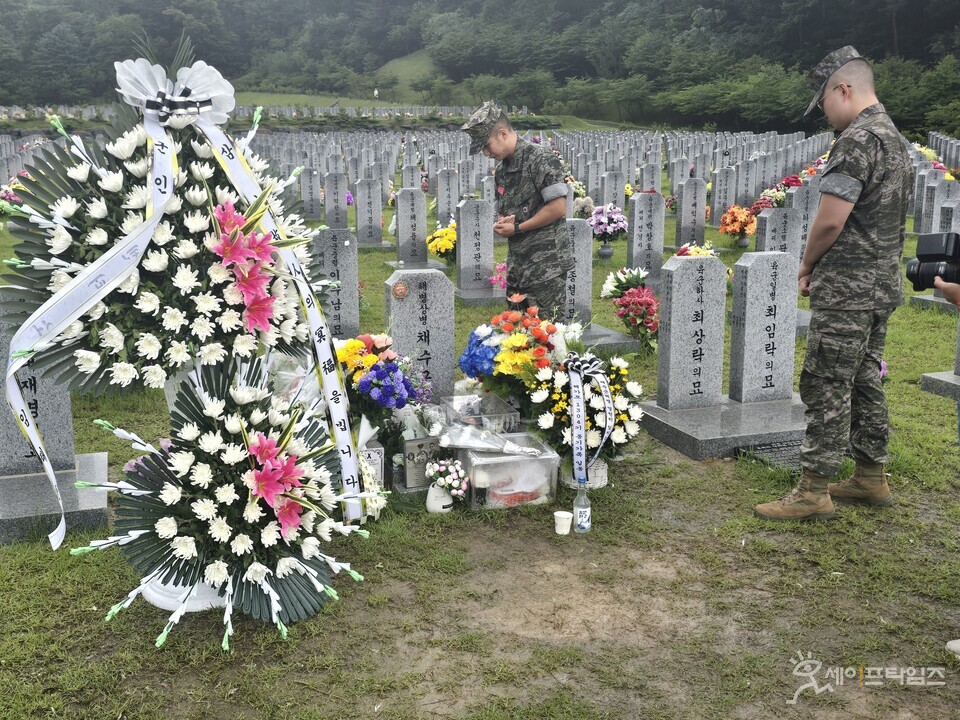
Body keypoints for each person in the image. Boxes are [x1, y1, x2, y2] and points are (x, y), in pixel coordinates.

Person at [755, 47, 913, 522]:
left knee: (826, 381)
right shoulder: (893, 136)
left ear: (843, 90)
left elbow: (830, 221)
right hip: (880, 283)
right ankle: (869, 475)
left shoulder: (858, 139)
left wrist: (806, 265)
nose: (824, 115)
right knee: (864, 377)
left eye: (822, 103)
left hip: (848, 288)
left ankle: (813, 489)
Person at [461, 102, 572, 320]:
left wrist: (518, 228)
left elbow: (558, 208)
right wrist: (503, 223)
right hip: (518, 266)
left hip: (545, 265)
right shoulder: (502, 171)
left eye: (487, 145)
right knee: (516, 339)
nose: (485, 153)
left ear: (502, 133)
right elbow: (507, 210)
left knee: (547, 336)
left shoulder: (540, 158)